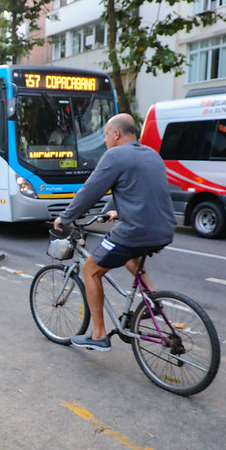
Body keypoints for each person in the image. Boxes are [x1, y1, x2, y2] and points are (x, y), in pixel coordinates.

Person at [53, 113, 176, 352]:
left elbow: (91, 191)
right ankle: (152, 298)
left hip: (136, 231)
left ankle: (98, 335)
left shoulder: (115, 155)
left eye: (107, 134)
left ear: (117, 134)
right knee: (131, 254)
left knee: (90, 270)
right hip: (164, 229)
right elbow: (143, 191)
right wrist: (118, 212)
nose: (106, 139)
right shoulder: (152, 155)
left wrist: (65, 217)